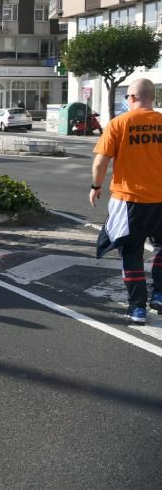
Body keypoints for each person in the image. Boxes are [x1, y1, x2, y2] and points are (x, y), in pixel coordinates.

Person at [90, 78, 162, 324]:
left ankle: (137, 308)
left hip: (130, 201)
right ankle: (160, 294)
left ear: (131, 98)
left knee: (132, 252)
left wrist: (96, 186)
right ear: (152, 97)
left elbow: (101, 162)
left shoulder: (119, 124)